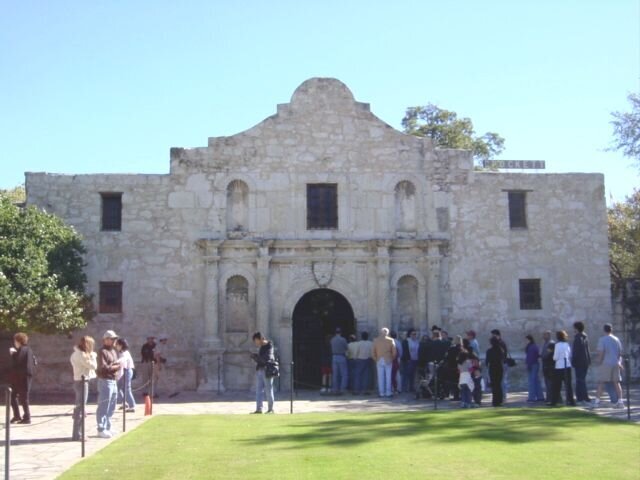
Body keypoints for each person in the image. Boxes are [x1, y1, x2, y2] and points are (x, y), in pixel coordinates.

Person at [70, 336, 97, 441]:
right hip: (82, 382)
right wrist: (93, 356)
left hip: (79, 381)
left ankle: (77, 433)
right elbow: (93, 366)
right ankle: (78, 434)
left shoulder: (76, 354)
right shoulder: (81, 355)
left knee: (80, 408)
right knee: (80, 409)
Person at [591, 323, 624, 408]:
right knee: (616, 382)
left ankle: (597, 401)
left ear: (604, 330)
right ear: (611, 330)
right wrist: (619, 362)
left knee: (601, 382)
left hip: (606, 363)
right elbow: (620, 353)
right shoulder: (616, 339)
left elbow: (601, 352)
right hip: (615, 362)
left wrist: (599, 361)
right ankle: (620, 401)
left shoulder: (602, 339)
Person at [96, 330, 122, 438]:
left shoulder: (114, 351)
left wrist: (116, 366)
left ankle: (108, 426)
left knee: (112, 404)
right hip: (105, 380)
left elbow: (115, 363)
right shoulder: (102, 351)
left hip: (113, 379)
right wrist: (115, 367)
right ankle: (101, 428)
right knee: (104, 404)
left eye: (114, 339)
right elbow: (103, 367)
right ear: (105, 340)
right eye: (112, 339)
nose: (114, 341)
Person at [8, 332, 35, 424]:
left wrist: (12, 354)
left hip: (23, 377)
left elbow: (18, 362)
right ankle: (17, 416)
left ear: (18, 341)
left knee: (23, 397)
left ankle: (27, 417)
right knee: (13, 396)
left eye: (15, 341)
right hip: (20, 377)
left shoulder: (23, 349)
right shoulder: (27, 349)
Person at [250, 331, 275, 414]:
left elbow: (267, 358)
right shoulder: (261, 347)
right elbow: (261, 359)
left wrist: (257, 357)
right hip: (260, 370)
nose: (255, 343)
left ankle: (270, 409)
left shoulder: (269, 346)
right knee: (258, 390)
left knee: (268, 390)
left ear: (260, 339)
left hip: (267, 370)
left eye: (256, 340)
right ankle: (259, 409)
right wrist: (255, 357)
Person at [549, 330, 575, 406]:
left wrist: (554, 358)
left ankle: (554, 401)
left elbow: (555, 357)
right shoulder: (567, 344)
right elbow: (569, 354)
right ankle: (571, 401)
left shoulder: (557, 345)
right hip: (567, 366)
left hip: (559, 367)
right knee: (568, 385)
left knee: (557, 385)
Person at [372, 327, 396, 398]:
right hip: (388, 359)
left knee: (380, 377)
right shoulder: (391, 340)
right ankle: (388, 392)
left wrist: (375, 359)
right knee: (388, 377)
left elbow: (373, 351)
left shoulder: (376, 340)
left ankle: (381, 392)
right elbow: (394, 352)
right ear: (387, 333)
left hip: (379, 359)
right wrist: (392, 358)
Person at [571, 321, 591, 406]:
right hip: (585, 361)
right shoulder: (584, 337)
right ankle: (582, 397)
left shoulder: (578, 338)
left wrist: (573, 361)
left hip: (579, 362)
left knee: (580, 380)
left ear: (576, 328)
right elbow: (587, 350)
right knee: (581, 380)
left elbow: (576, 351)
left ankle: (582, 397)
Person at [116, 338, 136, 413]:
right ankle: (124, 402)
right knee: (118, 388)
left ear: (121, 345)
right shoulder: (121, 352)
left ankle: (132, 405)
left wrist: (115, 362)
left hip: (127, 371)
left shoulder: (124, 353)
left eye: (117, 344)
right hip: (125, 371)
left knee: (126, 389)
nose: (116, 346)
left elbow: (122, 361)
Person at [525, 334, 545, 402]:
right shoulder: (533, 346)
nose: (525, 341)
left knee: (532, 381)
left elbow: (530, 357)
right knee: (536, 381)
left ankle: (532, 397)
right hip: (534, 364)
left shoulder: (531, 347)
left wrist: (529, 365)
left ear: (529, 340)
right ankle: (540, 396)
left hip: (532, 364)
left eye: (526, 340)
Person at [490, 329, 509, 401]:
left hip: (502, 363)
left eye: (493, 335)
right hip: (500, 364)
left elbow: (503, 354)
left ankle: (503, 396)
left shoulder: (501, 343)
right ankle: (501, 396)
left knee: (502, 381)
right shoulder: (499, 343)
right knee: (501, 381)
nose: (492, 337)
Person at [486, 337, 504, 407]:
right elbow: (502, 359)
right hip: (499, 368)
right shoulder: (500, 350)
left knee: (494, 385)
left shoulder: (489, 351)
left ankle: (495, 401)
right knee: (498, 384)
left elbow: (487, 362)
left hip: (492, 368)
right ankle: (500, 400)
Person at [330, 328, 349, 395]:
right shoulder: (343, 339)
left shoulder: (332, 340)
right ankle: (342, 389)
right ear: (341, 332)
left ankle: (335, 389)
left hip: (334, 357)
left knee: (335, 374)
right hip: (341, 356)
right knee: (343, 374)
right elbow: (346, 348)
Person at [444, 335, 462, 400]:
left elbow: (447, 357)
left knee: (454, 382)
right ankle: (458, 395)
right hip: (459, 367)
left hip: (452, 367)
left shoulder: (451, 349)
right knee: (458, 382)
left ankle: (455, 395)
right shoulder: (461, 348)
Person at [402, 329, 420, 393]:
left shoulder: (417, 341)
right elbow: (405, 351)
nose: (414, 335)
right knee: (406, 375)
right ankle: (404, 388)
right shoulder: (406, 341)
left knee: (413, 375)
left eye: (415, 334)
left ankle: (411, 388)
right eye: (413, 334)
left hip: (415, 360)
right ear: (409, 335)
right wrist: (407, 359)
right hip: (409, 360)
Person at [540, 330, 556, 403]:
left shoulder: (551, 343)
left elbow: (548, 354)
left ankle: (551, 398)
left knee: (550, 382)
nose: (543, 336)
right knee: (547, 382)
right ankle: (548, 397)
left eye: (545, 335)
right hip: (545, 365)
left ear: (548, 335)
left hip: (549, 366)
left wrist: (543, 356)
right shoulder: (545, 343)